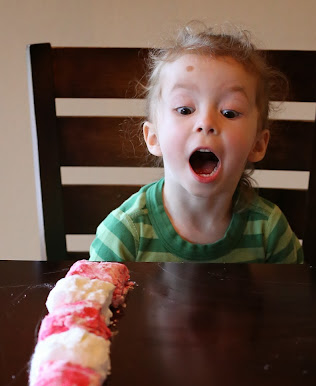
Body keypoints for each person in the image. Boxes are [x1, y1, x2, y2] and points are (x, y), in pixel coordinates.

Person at [89, 23, 303, 264]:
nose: (206, 122)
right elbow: (95, 299)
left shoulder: (270, 233)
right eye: (185, 109)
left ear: (258, 144)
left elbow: (293, 301)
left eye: (229, 112)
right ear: (153, 138)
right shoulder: (124, 235)